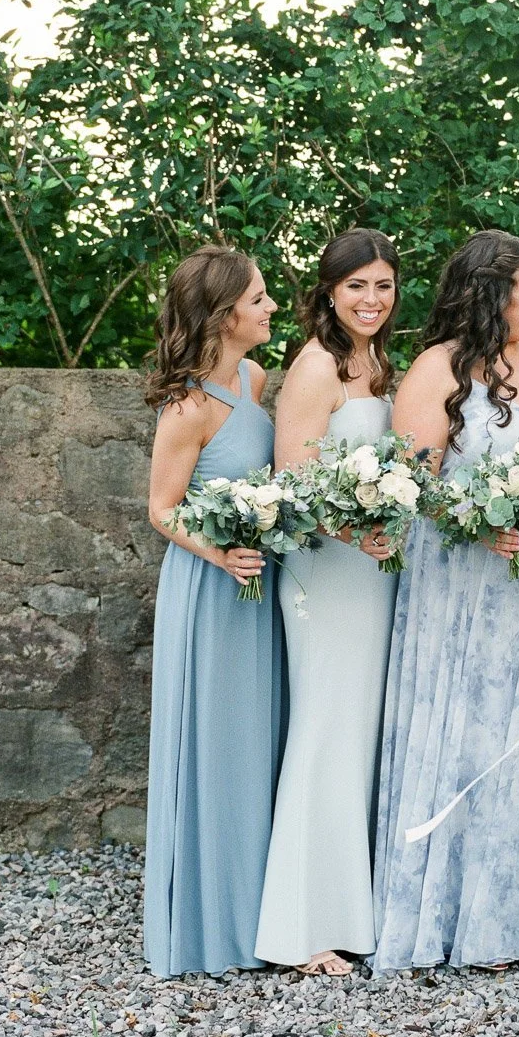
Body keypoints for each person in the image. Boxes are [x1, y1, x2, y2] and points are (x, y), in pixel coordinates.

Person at [373, 230, 519, 972]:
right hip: (467, 589)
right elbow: (413, 484)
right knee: (472, 733)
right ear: (491, 292)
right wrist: (480, 521)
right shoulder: (438, 368)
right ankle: (464, 917)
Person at [255, 229, 401, 977]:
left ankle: (350, 910)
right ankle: (302, 926)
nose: (371, 300)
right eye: (357, 287)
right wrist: (358, 529)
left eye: (382, 286)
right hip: (325, 572)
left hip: (371, 574)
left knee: (356, 734)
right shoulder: (316, 366)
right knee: (324, 728)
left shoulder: (377, 362)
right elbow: (293, 483)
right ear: (330, 291)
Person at [142, 245, 284, 978]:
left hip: (259, 587)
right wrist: (222, 554)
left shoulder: (256, 379)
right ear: (227, 313)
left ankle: (262, 905)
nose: (269, 309)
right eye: (258, 299)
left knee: (257, 739)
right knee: (216, 741)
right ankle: (210, 923)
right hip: (211, 588)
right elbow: (162, 510)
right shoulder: (188, 404)